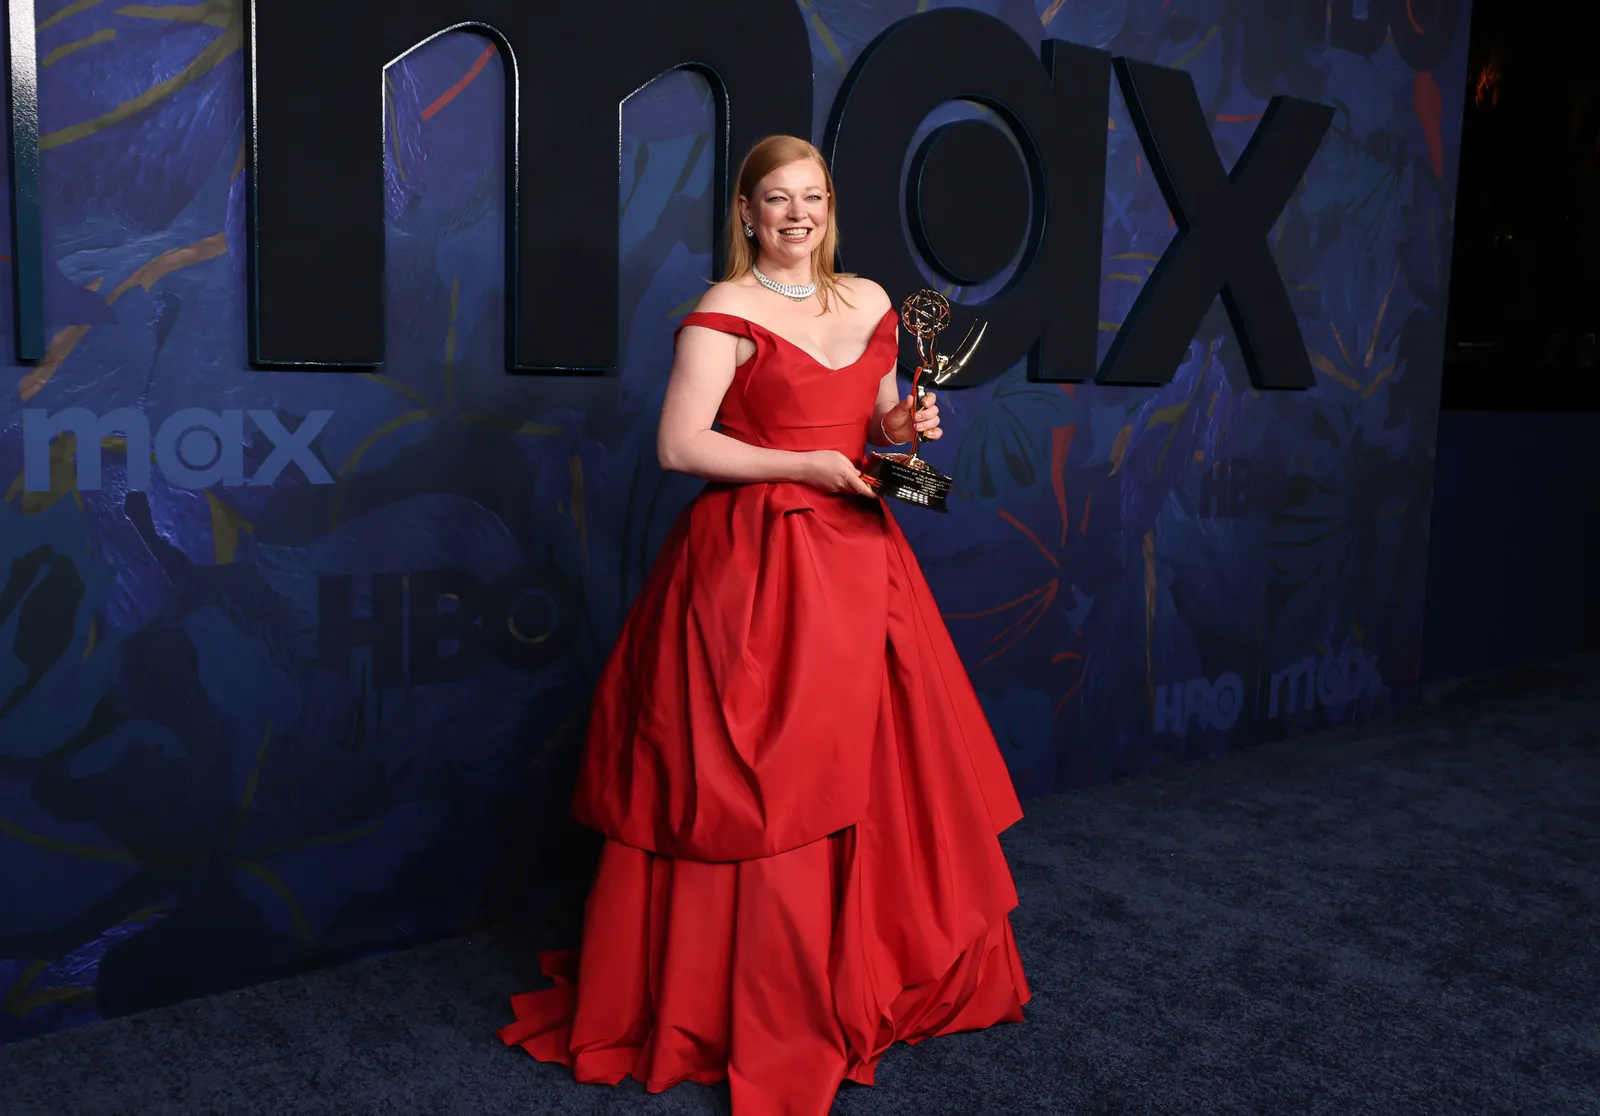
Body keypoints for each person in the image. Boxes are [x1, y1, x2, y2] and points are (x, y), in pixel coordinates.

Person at [499, 135, 1029, 1116]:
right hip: (753, 563)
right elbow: (679, 443)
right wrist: (803, 467)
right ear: (744, 214)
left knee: (877, 756)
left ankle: (869, 970)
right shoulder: (722, 313)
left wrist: (899, 435)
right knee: (762, 764)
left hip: (861, 556)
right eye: (776, 200)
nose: (797, 216)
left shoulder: (869, 301)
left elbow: (870, 422)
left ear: (831, 206)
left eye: (813, 198)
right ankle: (752, 994)